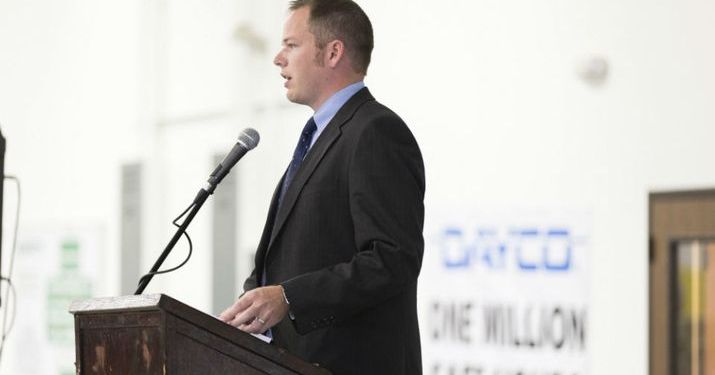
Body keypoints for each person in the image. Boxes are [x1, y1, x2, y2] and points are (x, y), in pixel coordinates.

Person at [219, 1, 425, 373]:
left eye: (291, 45)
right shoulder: (320, 136)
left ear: (333, 52)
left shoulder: (375, 132)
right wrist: (250, 309)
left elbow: (392, 260)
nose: (278, 59)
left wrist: (288, 298)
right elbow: (292, 256)